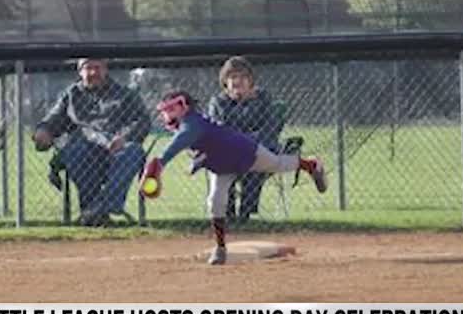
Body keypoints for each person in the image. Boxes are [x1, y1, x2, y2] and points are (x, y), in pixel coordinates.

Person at [141, 90, 326, 265]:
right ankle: (220, 248)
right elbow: (204, 146)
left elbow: (177, 144)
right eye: (165, 111)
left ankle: (311, 165)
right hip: (221, 166)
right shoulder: (189, 125)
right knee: (215, 200)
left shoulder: (191, 125)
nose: (167, 115)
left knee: (277, 164)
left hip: (243, 152)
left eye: (172, 109)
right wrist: (197, 161)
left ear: (184, 106)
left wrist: (159, 164)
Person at [33, 58, 150, 226]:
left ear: (106, 69)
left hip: (116, 149)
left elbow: (142, 121)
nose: (93, 73)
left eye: (98, 68)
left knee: (133, 151)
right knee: (74, 151)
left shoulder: (125, 94)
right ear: (80, 71)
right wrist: (43, 130)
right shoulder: (71, 95)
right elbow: (53, 119)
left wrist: (125, 137)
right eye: (88, 68)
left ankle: (98, 209)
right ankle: (96, 212)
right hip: (84, 150)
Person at [208, 56, 282, 223]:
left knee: (253, 158)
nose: (237, 81)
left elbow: (270, 130)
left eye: (242, 77)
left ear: (251, 80)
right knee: (223, 161)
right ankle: (228, 215)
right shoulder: (218, 102)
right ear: (225, 81)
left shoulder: (263, 99)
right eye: (232, 77)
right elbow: (218, 132)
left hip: (258, 149)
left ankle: (246, 214)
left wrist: (245, 141)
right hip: (228, 152)